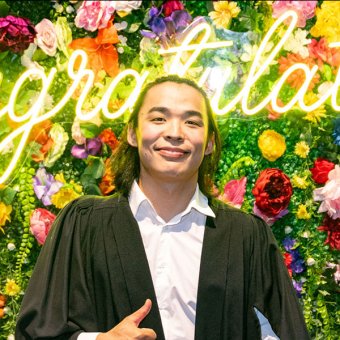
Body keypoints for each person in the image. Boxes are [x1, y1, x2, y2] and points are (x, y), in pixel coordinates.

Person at [15, 75, 310, 340]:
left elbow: (284, 332)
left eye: (192, 122)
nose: (175, 132)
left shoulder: (247, 237)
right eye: (158, 119)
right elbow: (35, 332)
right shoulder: (83, 225)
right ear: (132, 133)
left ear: (208, 143)